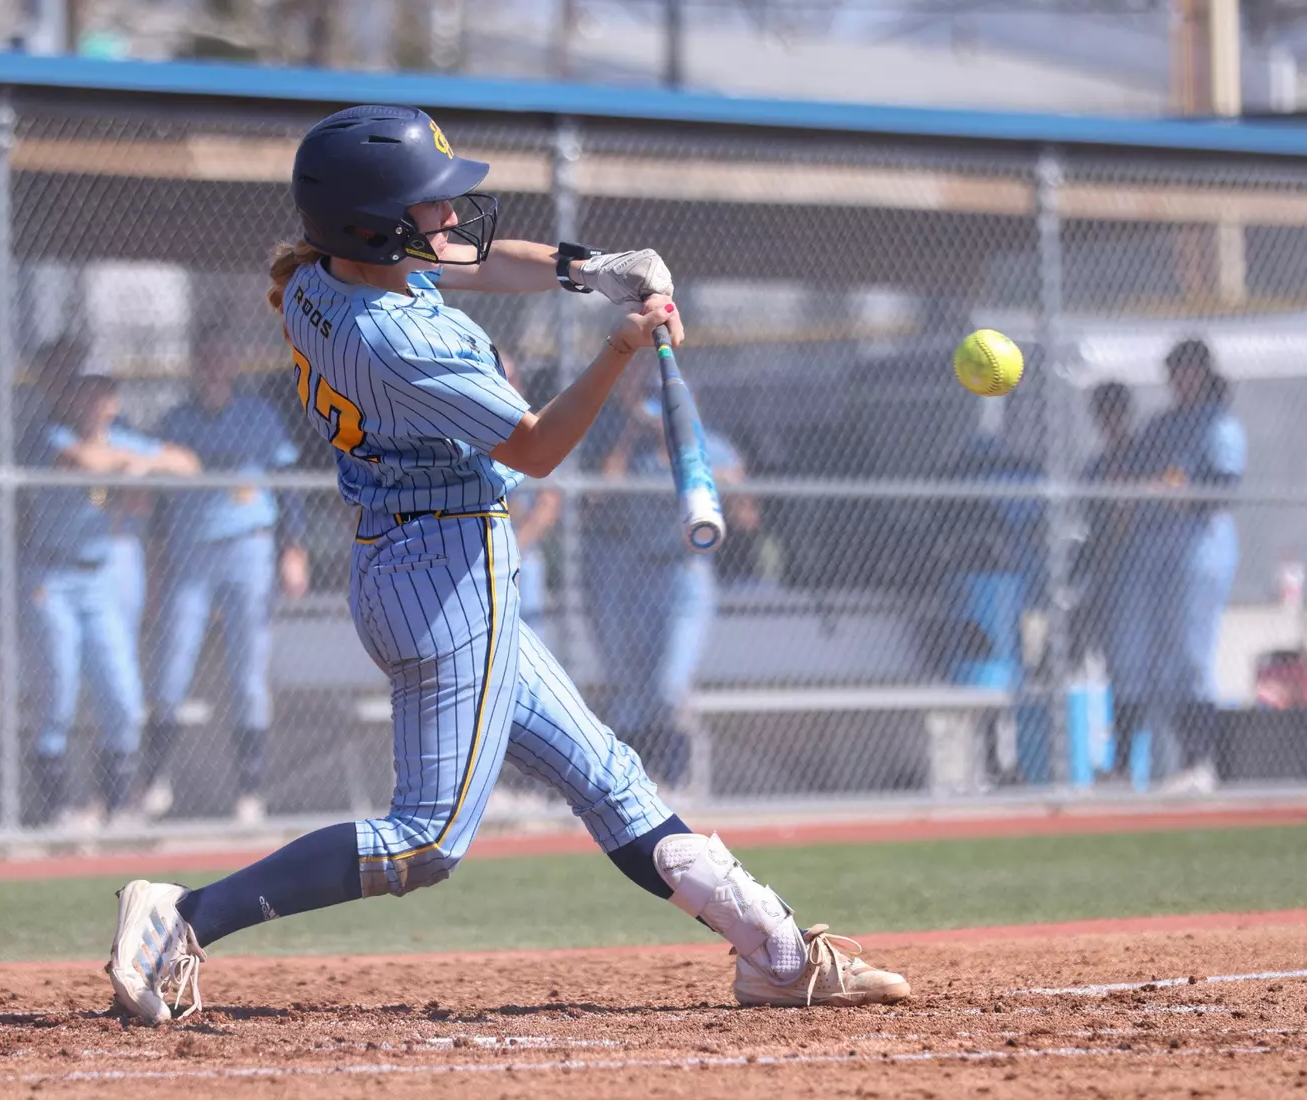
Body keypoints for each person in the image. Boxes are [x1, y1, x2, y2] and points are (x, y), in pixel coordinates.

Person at [105, 105, 907, 1023]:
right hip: (452, 580)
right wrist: (620, 346)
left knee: (610, 779)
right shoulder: (395, 334)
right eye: (429, 207)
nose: (450, 218)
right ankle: (184, 914)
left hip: (410, 562)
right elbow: (534, 448)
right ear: (376, 225)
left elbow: (475, 261)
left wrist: (591, 270)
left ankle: (776, 953)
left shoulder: (316, 281)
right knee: (427, 842)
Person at [142, 331, 309, 825]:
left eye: (222, 357)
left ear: (233, 363)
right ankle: (152, 781)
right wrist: (155, 564)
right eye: (205, 358)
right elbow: (155, 506)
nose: (214, 367)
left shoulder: (259, 415)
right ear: (194, 365)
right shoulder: (175, 420)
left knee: (248, 675)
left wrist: (293, 549)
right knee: (171, 665)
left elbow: (287, 487)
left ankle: (249, 792)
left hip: (249, 548)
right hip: (190, 552)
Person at [23, 372, 201, 828]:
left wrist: (141, 464)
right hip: (52, 576)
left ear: (112, 405)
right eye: (85, 395)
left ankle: (117, 807)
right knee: (58, 691)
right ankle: (58, 811)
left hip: (100, 579)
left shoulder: (122, 440)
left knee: (122, 695)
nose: (93, 404)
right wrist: (134, 463)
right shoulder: (51, 433)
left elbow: (187, 464)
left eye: (102, 397)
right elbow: (82, 462)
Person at [581, 373, 758, 788]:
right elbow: (597, 497)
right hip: (637, 575)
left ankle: (677, 777)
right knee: (632, 688)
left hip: (685, 574)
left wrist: (726, 484)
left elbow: (750, 519)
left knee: (670, 684)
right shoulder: (636, 450)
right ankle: (638, 782)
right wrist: (630, 432)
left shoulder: (710, 447)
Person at [1117, 339, 1245, 792]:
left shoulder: (1219, 423)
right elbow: (1131, 469)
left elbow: (1222, 487)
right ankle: (1122, 767)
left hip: (1198, 546)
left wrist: (1178, 492)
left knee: (1190, 655)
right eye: (1174, 371)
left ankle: (1199, 762)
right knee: (1139, 656)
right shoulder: (1162, 423)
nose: (1179, 380)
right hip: (1153, 548)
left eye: (1186, 370)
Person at [1074, 381, 1142, 781]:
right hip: (1108, 580)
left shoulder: (1144, 460)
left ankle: (1142, 759)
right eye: (1103, 417)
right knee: (1118, 671)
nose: (1109, 424)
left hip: (1143, 578)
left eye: (1115, 415)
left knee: (1142, 671)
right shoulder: (1096, 469)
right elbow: (1092, 530)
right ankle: (1121, 762)